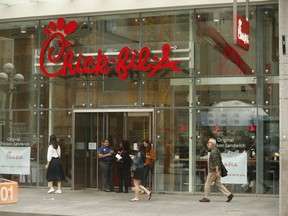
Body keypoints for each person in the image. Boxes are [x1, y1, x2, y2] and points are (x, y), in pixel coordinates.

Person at [199, 138, 234, 202]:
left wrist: (217, 171)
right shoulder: (216, 150)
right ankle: (229, 195)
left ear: (212, 144)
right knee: (218, 183)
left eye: (209, 142)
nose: (208, 144)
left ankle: (206, 197)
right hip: (216, 170)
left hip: (213, 171)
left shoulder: (213, 152)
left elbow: (216, 162)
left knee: (207, 183)